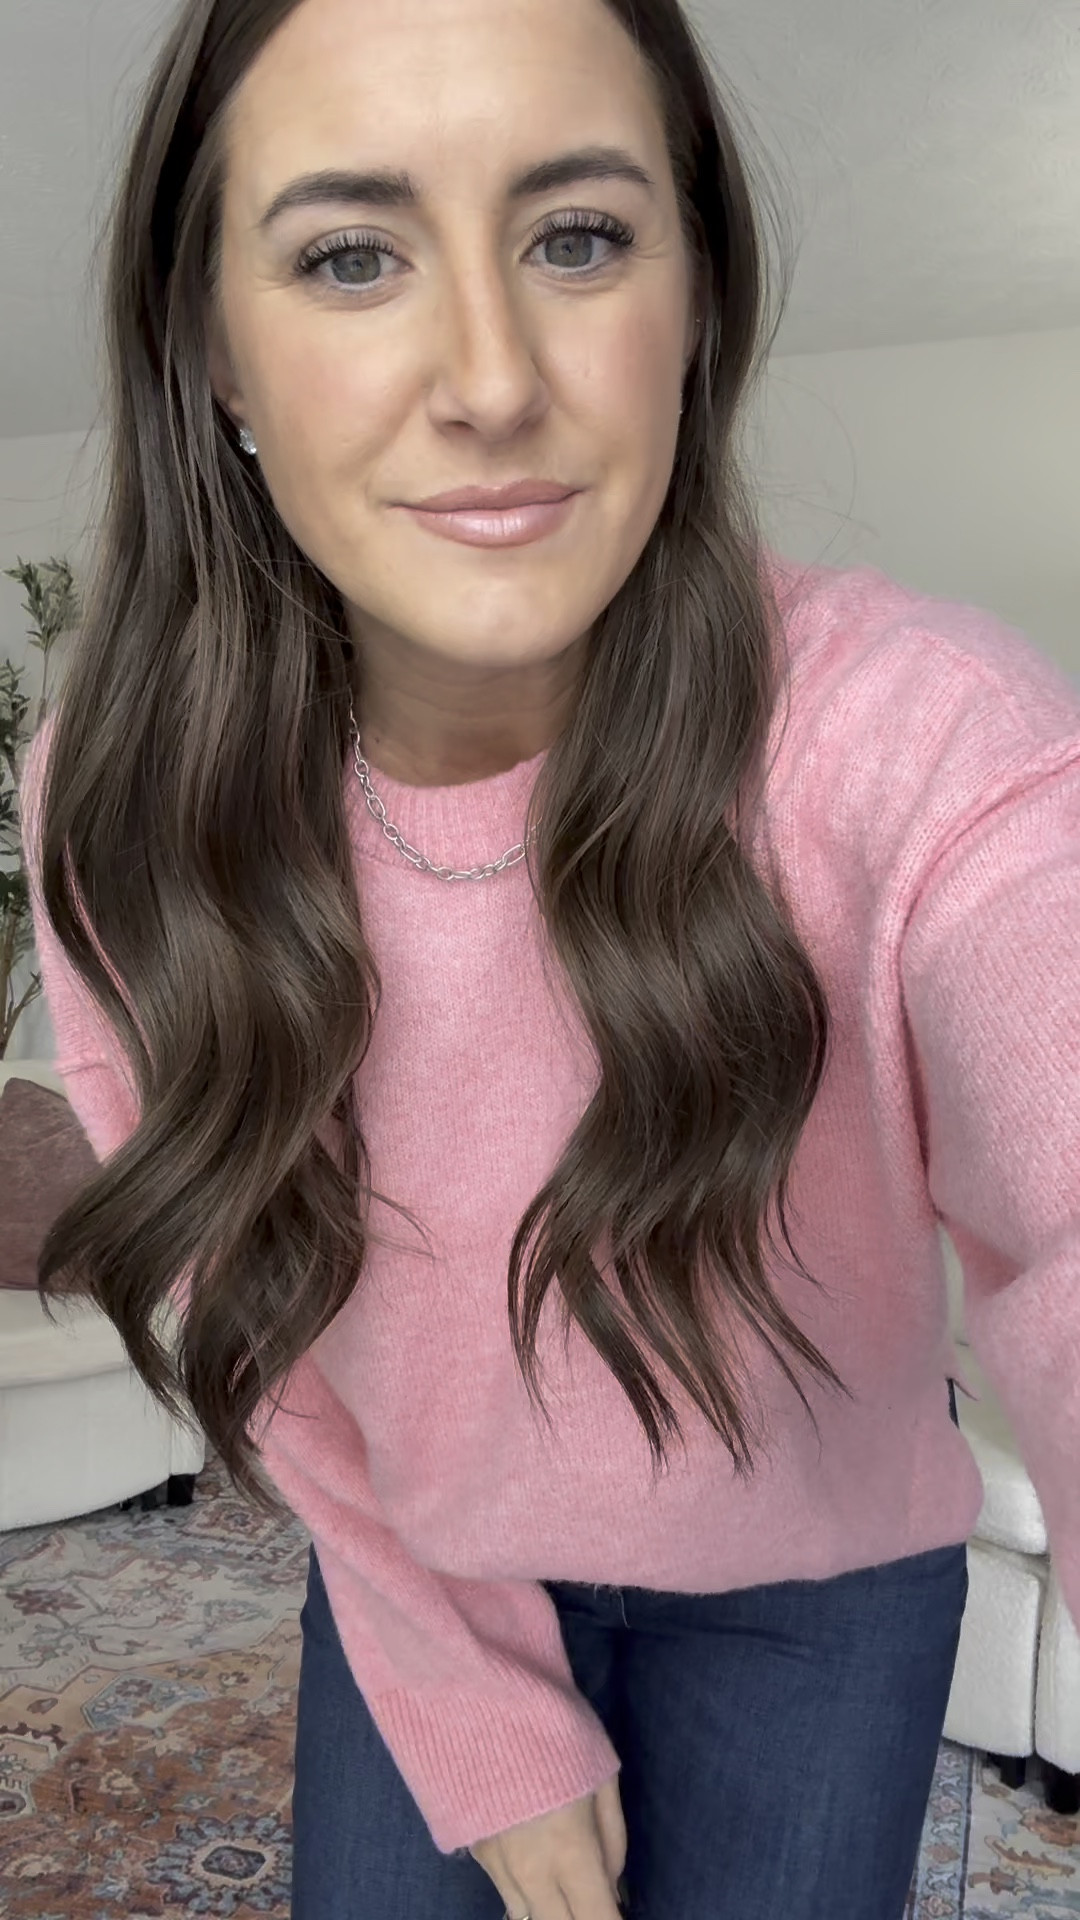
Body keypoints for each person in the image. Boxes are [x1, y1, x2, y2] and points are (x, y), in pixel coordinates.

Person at [19, 0, 1080, 1915]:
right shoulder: (124, 792)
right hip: (420, 1574)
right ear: (217, 352)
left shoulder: (934, 752)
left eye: (578, 237)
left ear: (698, 295)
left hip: (826, 1593)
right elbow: (238, 1291)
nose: (493, 379)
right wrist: (467, 1702)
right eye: (352, 256)